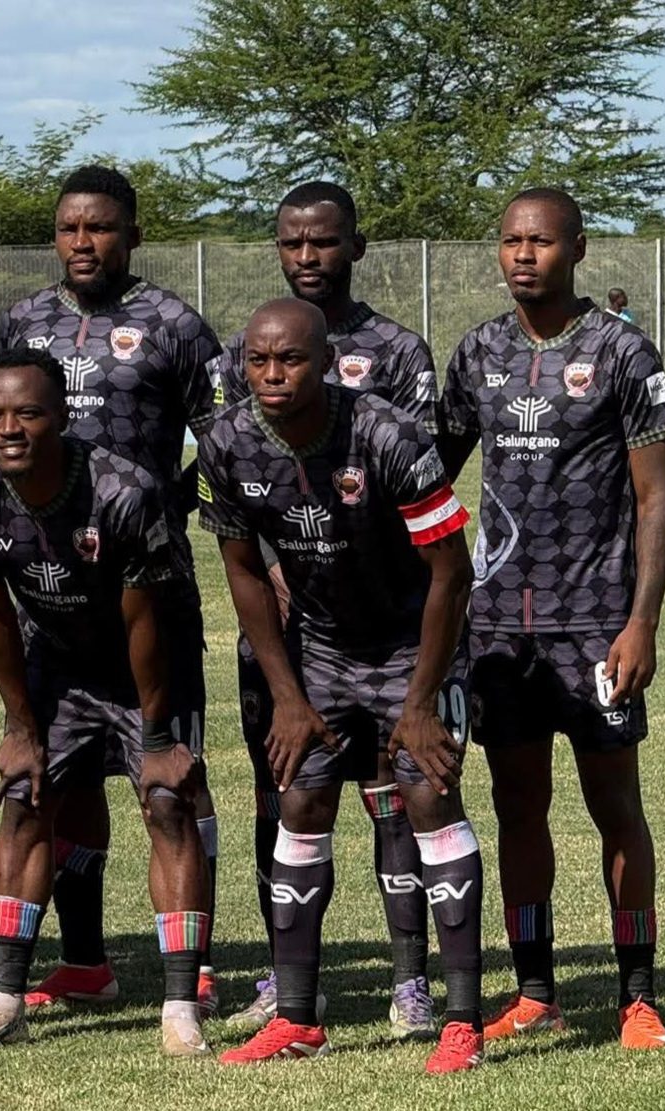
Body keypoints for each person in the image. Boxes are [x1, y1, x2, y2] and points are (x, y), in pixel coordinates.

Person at [201, 299, 484, 1074]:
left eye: (288, 360)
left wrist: (421, 703)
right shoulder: (225, 442)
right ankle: (296, 1016)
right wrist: (286, 694)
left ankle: (462, 1020)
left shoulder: (385, 435)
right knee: (299, 797)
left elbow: (450, 573)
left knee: (427, 796)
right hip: (318, 645)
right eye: (257, 362)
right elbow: (241, 568)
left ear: (326, 362)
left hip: (407, 639)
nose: (271, 375)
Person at [437, 188, 665, 1051]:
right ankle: (535, 988)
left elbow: (654, 500)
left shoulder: (621, 351)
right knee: (517, 805)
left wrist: (640, 619)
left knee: (614, 802)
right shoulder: (477, 352)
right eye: (509, 240)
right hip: (500, 626)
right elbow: (430, 478)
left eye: (539, 240)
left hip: (595, 624)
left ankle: (637, 995)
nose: (522, 254)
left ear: (575, 248)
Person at [0, 349, 211, 1057]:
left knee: (167, 802)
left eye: (26, 413)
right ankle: (2, 1001)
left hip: (150, 662)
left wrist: (154, 737)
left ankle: (180, 1008)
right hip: (54, 657)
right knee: (25, 795)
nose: (7, 428)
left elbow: (145, 621)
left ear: (61, 417)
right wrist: (22, 725)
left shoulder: (123, 491)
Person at [0, 165, 222, 1017]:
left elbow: (227, 443)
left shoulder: (173, 325)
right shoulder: (25, 318)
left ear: (131, 235)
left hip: (146, 590)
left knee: (173, 780)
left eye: (98, 229)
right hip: (48, 598)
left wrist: (175, 504)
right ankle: (84, 960)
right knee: (66, 783)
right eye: (67, 229)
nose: (81, 244)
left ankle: (188, 960)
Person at [215, 181, 443, 1037]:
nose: (305, 256)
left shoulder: (397, 352)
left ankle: (409, 978)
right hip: (286, 624)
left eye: (321, 242)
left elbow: (417, 484)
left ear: (353, 246)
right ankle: (286, 978)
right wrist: (275, 565)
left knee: (396, 794)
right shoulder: (249, 341)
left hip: (380, 619)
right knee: (285, 791)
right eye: (290, 242)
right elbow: (234, 470)